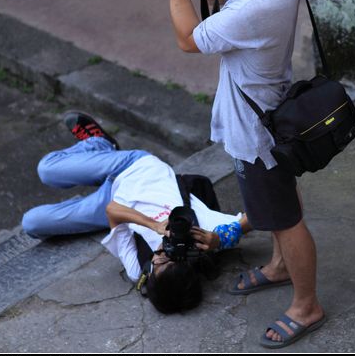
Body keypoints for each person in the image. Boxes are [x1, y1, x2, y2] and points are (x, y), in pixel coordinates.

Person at [159, 0, 326, 348]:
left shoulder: (257, 7)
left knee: (286, 219)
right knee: (276, 206)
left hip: (257, 134)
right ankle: (277, 266)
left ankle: (306, 304)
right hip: (269, 115)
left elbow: (189, 39)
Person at [21, 112, 252, 314]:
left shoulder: (137, 269)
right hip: (135, 168)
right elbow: (260, 217)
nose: (163, 254)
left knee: (32, 223)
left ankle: (94, 166)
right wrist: (222, 237)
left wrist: (153, 225)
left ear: (150, 275)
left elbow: (112, 211)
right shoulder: (205, 236)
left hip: (115, 204)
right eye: (171, 260)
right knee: (47, 169)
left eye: (159, 264)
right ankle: (100, 145)